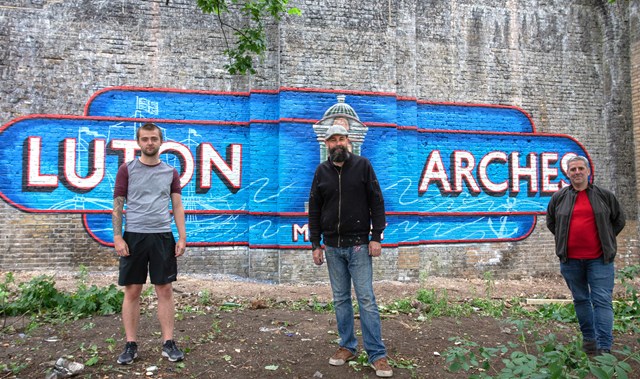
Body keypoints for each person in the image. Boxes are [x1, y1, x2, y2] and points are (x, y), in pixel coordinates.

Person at [308, 124, 393, 378]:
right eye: (333, 140)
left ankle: (377, 354)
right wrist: (315, 243)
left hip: (359, 246)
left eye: (341, 139)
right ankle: (347, 346)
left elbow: (376, 201)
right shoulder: (321, 172)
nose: (338, 144)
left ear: (348, 141)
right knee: (341, 299)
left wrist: (376, 237)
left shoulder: (363, 166)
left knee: (366, 299)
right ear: (327, 145)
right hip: (333, 247)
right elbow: (314, 209)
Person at [112, 122, 187, 365]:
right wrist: (117, 236)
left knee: (164, 290)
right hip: (133, 236)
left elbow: (177, 206)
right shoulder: (127, 169)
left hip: (162, 236)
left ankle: (168, 343)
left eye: (153, 138)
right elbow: (118, 205)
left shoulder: (170, 172)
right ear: (139, 142)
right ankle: (131, 344)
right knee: (132, 291)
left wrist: (182, 236)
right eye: (145, 139)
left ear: (160, 141)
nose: (149, 143)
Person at [546, 155, 625, 356]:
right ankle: (590, 343)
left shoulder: (604, 196)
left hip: (600, 260)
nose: (577, 172)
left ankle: (604, 347)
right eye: (573, 169)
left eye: (581, 168)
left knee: (601, 301)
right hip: (571, 260)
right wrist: (565, 240)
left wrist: (606, 238)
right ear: (568, 173)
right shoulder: (559, 198)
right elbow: (552, 223)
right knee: (581, 299)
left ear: (588, 171)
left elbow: (618, 220)